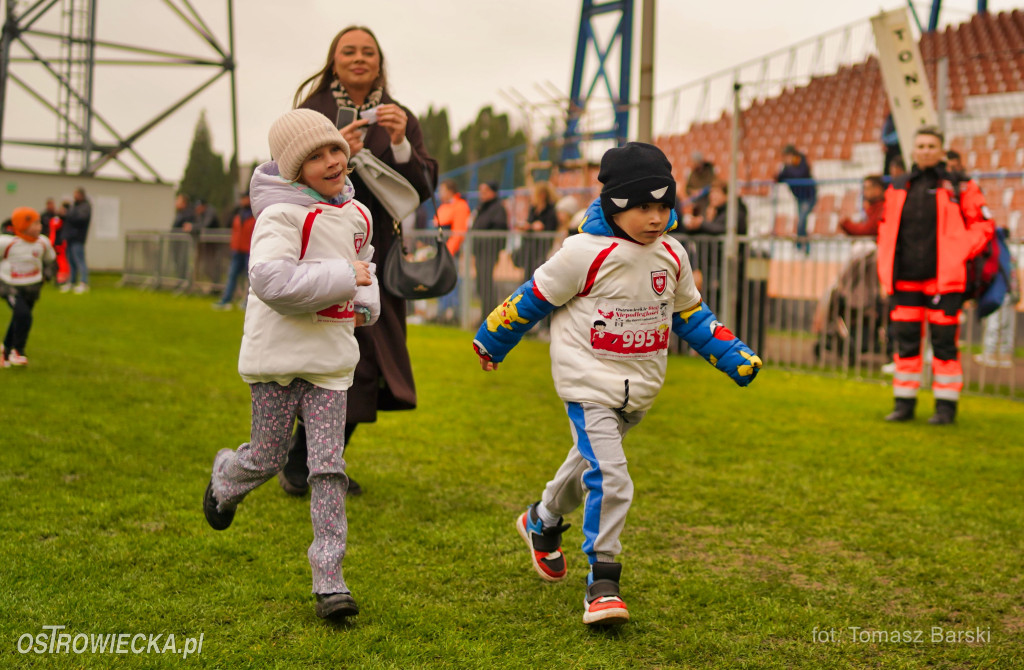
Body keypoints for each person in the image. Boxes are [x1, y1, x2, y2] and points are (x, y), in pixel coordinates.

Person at [472, 143, 762, 626]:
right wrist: (492, 339)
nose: (655, 217)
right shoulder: (583, 253)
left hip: (641, 387)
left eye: (664, 206)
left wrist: (731, 354)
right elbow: (531, 299)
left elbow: (690, 314)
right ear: (614, 205)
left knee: (588, 463)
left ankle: (542, 522)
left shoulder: (672, 253)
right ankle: (603, 581)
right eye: (643, 207)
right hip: (588, 384)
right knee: (612, 477)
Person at [203, 109, 380, 621]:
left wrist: (366, 302)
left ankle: (330, 580)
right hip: (277, 359)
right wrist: (346, 276)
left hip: (329, 363)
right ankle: (225, 480)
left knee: (328, 468)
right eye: (314, 156)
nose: (330, 161)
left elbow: (364, 268)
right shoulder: (278, 218)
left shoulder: (358, 214)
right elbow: (273, 284)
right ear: (291, 169)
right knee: (268, 455)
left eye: (335, 150)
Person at [279, 25, 438, 498]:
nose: (359, 58)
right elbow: (283, 177)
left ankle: (317, 463)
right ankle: (300, 461)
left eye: (368, 51)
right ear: (334, 59)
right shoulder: (313, 112)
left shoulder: (400, 116)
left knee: (365, 365)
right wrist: (337, 153)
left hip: (378, 259)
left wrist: (402, 143)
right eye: (348, 50)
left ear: (379, 61)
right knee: (319, 359)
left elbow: (426, 185)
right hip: (319, 251)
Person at [877, 125, 994, 425]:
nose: (926, 151)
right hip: (904, 280)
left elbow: (983, 226)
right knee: (905, 345)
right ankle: (903, 404)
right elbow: (886, 230)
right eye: (921, 146)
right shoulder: (898, 185)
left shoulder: (960, 185)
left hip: (945, 281)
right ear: (912, 150)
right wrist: (884, 274)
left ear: (941, 150)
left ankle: (946, 407)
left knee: (944, 345)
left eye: (932, 146)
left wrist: (958, 251)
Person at [1, 207, 56, 367]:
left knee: (18, 319)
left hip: (32, 289)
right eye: (35, 223)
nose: (39, 227)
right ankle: (18, 351)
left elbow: (50, 261)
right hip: (10, 287)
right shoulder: (7, 243)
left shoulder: (43, 242)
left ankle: (5, 353)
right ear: (22, 225)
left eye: (40, 223)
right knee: (24, 315)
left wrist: (47, 275)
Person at [974, 226, 1019, 369]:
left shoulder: (998, 250)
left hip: (998, 293)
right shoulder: (1008, 251)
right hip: (1008, 293)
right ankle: (1003, 355)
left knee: (995, 324)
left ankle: (991, 353)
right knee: (1005, 325)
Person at [471, 181, 508, 323]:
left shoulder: (498, 208)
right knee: (482, 283)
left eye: (485, 191)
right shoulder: (483, 207)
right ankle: (485, 315)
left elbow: (500, 227)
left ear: (493, 192)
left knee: (486, 284)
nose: (482, 194)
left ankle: (489, 316)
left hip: (489, 251)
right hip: (480, 251)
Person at [435, 179, 471, 323]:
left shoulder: (460, 206)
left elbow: (458, 232)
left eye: (442, 190)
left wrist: (448, 252)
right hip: (442, 252)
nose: (439, 193)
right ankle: (442, 313)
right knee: (442, 282)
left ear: (450, 191)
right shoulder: (444, 206)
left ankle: (454, 314)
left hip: (450, 253)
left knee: (453, 282)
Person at [212, 192, 256, 310]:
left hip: (249, 251)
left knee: (251, 279)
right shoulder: (237, 214)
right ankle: (226, 299)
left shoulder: (255, 214)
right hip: (237, 249)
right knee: (232, 275)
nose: (242, 201)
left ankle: (248, 302)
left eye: (245, 199)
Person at [513, 180, 558, 279]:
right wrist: (528, 226)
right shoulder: (533, 209)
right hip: (529, 245)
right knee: (527, 271)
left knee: (537, 270)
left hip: (541, 246)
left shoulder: (551, 210)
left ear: (542, 195)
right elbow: (530, 223)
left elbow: (550, 227)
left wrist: (538, 227)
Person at [776, 144, 816, 252]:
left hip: (808, 196)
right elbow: (779, 178)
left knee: (802, 220)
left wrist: (788, 169)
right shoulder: (787, 166)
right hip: (799, 198)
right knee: (801, 221)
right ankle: (803, 245)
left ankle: (801, 246)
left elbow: (801, 173)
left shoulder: (799, 160)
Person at [60, 188, 91, 293]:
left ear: (82, 195)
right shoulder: (74, 206)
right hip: (70, 237)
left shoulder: (85, 206)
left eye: (76, 194)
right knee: (71, 261)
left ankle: (84, 283)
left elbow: (80, 219)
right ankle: (71, 282)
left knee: (80, 260)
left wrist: (67, 214)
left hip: (78, 238)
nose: (74, 197)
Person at [684, 151, 716, 217]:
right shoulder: (692, 173)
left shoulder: (709, 171)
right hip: (696, 203)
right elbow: (687, 189)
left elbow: (713, 185)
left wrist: (701, 191)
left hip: (707, 202)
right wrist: (693, 192)